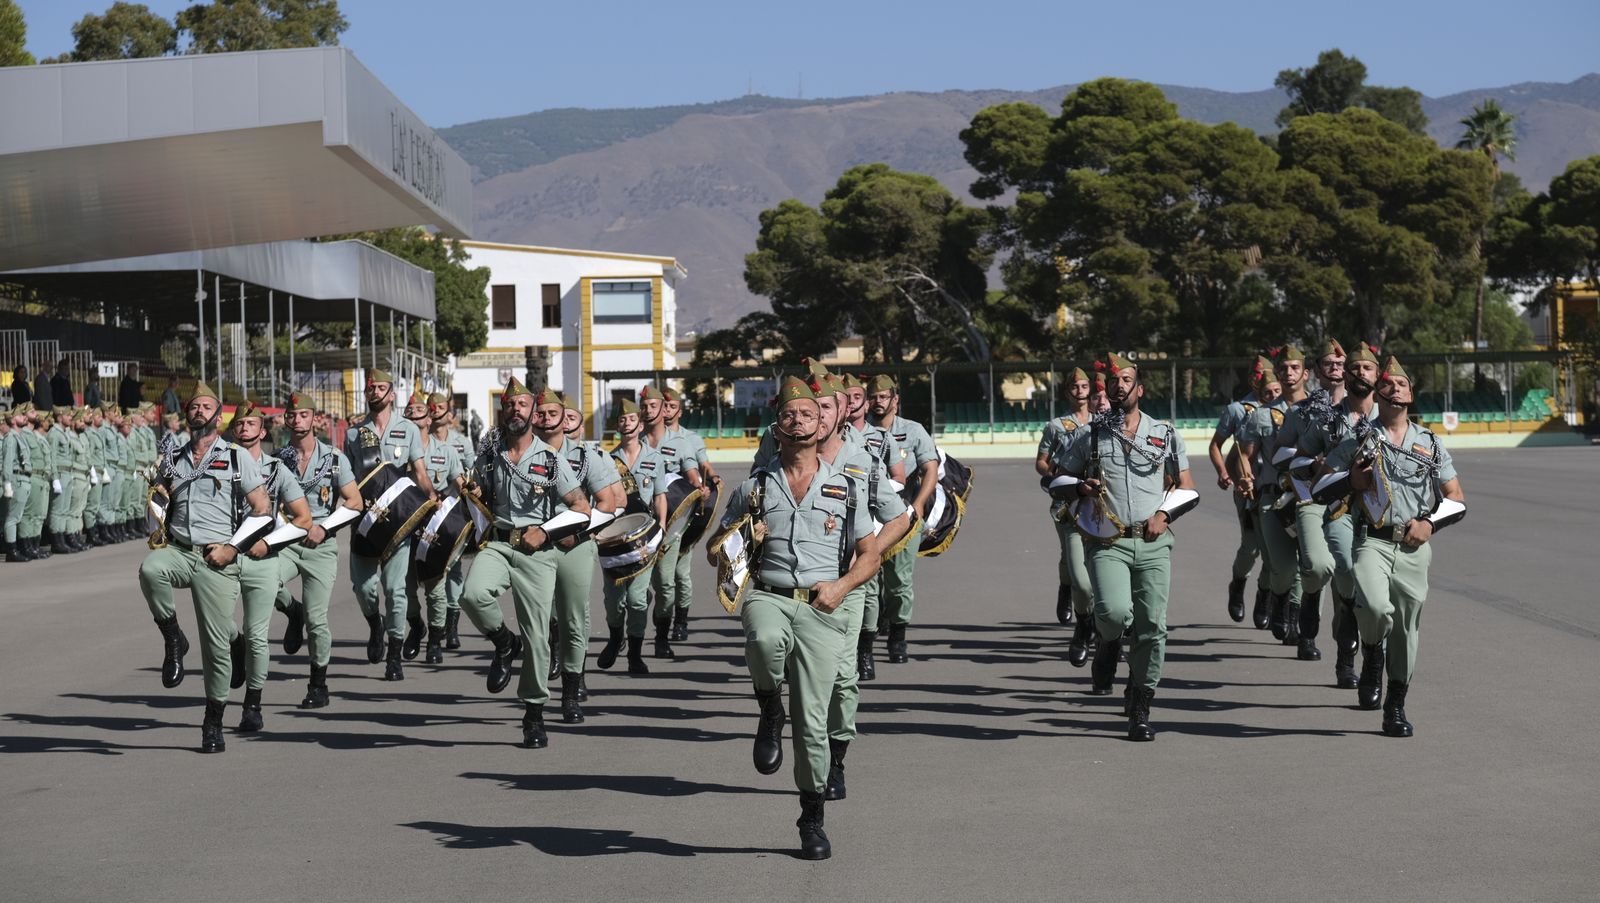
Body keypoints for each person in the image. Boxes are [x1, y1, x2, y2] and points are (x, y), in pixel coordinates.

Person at [711, 375, 878, 860]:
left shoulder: (846, 488)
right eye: (789, 415)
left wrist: (843, 586)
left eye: (808, 414)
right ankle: (768, 704)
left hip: (824, 606)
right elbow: (714, 552)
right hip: (769, 594)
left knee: (812, 726)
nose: (799, 421)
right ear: (777, 430)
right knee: (763, 640)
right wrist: (745, 535)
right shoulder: (755, 488)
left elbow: (869, 555)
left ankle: (811, 818)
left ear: (823, 423)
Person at [1051, 352, 1197, 741]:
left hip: (1153, 541)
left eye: (1126, 379)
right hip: (1107, 541)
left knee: (1153, 628)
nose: (1119, 386)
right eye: (1113, 381)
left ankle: (1140, 700)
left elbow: (1185, 486)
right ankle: (1108, 644)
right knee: (1114, 613)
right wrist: (1080, 486)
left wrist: (1164, 516)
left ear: (1140, 388)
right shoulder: (1090, 435)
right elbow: (1057, 479)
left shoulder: (1165, 434)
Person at [1321, 356, 1465, 737]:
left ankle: (1395, 706)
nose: (1395, 389)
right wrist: (1351, 481)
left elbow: (1455, 497)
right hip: (1373, 541)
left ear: (1410, 394)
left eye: (1401, 384)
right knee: (1374, 606)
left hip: (1414, 546)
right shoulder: (1360, 438)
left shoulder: (1430, 443)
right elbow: (1318, 486)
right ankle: (1371, 651)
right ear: (1377, 393)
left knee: (1406, 630)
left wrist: (1430, 523)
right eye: (1387, 384)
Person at [457, 376, 591, 748]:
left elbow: (581, 508)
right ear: (503, 411)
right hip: (499, 544)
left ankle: (533, 713)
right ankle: (503, 642)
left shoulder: (550, 459)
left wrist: (547, 532)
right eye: (509, 405)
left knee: (538, 639)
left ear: (533, 412)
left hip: (537, 553)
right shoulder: (491, 453)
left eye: (522, 405)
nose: (515, 410)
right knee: (472, 595)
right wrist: (472, 490)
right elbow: (481, 491)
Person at [138, 381, 271, 753]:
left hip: (217, 556)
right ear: (187, 413)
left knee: (216, 647)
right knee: (150, 569)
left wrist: (233, 547)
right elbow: (157, 499)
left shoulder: (235, 456)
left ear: (219, 414)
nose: (199, 411)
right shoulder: (173, 457)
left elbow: (263, 511)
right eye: (193, 406)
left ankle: (212, 722)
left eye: (206, 406)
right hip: (180, 551)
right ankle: (173, 637)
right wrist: (155, 513)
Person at [811, 373, 910, 803]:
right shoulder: (780, 453)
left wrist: (864, 559)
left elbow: (899, 518)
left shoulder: (862, 458)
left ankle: (834, 759)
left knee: (842, 677)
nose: (815, 417)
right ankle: (770, 707)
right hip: (789, 584)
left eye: (826, 408)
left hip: (847, 584)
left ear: (841, 412)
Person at [1276, 342, 1381, 687]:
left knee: (1352, 590)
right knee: (1326, 568)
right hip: (1320, 502)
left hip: (1371, 512)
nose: (1344, 370)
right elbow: (1294, 459)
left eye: (1363, 368)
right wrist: (1317, 466)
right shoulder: (1322, 418)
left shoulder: (1387, 417)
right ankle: (1309, 594)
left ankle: (1346, 655)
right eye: (1337, 365)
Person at [223, 400, 312, 733]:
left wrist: (269, 543)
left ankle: (252, 705)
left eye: (251, 424)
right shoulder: (218, 463)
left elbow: (303, 519)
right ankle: (235, 645)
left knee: (257, 635)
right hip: (223, 555)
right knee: (220, 625)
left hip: (260, 556)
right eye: (239, 424)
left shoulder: (277, 470)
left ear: (262, 431)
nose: (244, 428)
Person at [342, 369, 436, 681]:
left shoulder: (407, 429)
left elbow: (419, 471)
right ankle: (374, 624)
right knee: (365, 587)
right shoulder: (354, 433)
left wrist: (431, 501)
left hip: (398, 522)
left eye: (381, 387)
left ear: (392, 394)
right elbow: (347, 478)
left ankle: (394, 656)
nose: (375, 393)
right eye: (370, 388)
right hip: (366, 522)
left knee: (396, 590)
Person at [274, 392, 364, 708]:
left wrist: (325, 527)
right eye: (292, 415)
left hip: (320, 544)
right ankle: (290, 610)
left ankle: (317, 684)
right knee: (263, 583)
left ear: (316, 419)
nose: (297, 420)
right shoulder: (277, 458)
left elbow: (355, 501)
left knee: (317, 619)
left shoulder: (335, 458)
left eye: (303, 415)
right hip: (286, 540)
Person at [539, 390, 622, 723]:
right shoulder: (521, 452)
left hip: (575, 542)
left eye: (560, 414)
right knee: (542, 613)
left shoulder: (589, 456)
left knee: (575, 616)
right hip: (535, 544)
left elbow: (612, 502)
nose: (548, 420)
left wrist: (583, 533)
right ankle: (551, 655)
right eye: (540, 413)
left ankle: (573, 685)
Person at [1237, 347, 1307, 645]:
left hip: (1308, 498)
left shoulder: (1322, 411)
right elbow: (1245, 454)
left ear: (1306, 373)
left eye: (1295, 368)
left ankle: (1300, 628)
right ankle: (1277, 598)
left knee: (1309, 564)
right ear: (1277, 374)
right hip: (1272, 499)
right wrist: (1245, 478)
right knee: (1282, 565)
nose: (1289, 373)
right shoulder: (1261, 416)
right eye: (1284, 368)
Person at [867, 374, 938, 664]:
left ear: (895, 400)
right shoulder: (859, 431)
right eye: (873, 396)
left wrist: (920, 504)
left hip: (904, 512)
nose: (877, 401)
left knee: (899, 578)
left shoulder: (914, 430)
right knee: (870, 577)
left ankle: (898, 636)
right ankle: (870, 632)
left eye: (883, 397)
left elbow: (930, 469)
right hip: (868, 517)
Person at [839, 372, 904, 680]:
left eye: (855, 398)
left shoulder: (875, 440)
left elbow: (896, 482)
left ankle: (865, 647)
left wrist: (873, 546)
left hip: (869, 522)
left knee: (869, 590)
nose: (849, 404)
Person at [596, 398, 668, 675]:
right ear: (618, 427)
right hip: (613, 537)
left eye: (632, 420)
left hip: (643, 536)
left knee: (638, 599)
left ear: (640, 424)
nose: (627, 424)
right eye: (622, 421)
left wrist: (661, 526)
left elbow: (660, 495)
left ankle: (635, 654)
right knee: (613, 600)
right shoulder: (605, 459)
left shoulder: (655, 459)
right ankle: (616, 638)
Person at [639, 384, 704, 658]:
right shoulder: (636, 441)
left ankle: (666, 632)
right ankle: (633, 636)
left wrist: (701, 489)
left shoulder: (681, 443)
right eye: (646, 406)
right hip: (641, 525)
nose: (650, 410)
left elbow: (693, 478)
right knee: (638, 588)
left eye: (654, 406)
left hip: (673, 523)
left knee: (668, 584)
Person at [1036, 367, 1095, 661]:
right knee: (1069, 555)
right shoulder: (1057, 426)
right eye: (1075, 387)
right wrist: (1057, 475)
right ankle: (1066, 587)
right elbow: (1041, 463)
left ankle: (1093, 619)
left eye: (1085, 386)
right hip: (1067, 500)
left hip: (1097, 503)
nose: (1080, 391)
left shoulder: (1103, 421)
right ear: (1067, 392)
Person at [402, 389, 461, 664]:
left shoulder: (446, 451)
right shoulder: (397, 451)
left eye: (418, 414)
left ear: (429, 420)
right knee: (403, 586)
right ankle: (416, 625)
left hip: (434, 523)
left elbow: (459, 482)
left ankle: (435, 639)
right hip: (402, 522)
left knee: (435, 585)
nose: (413, 419)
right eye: (408, 414)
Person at [1209, 377, 1266, 625]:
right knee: (1252, 547)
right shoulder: (1239, 410)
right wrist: (1224, 473)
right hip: (1248, 488)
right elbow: (1217, 445)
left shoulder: (1294, 409)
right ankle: (1239, 584)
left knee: (1279, 552)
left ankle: (1267, 596)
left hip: (1283, 489)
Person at [2, 404, 34, 562]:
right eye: (21, 415)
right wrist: (7, 483)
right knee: (12, 517)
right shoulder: (10, 437)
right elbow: (7, 463)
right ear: (13, 420)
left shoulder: (19, 436)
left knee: (18, 516)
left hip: (24, 479)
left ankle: (17, 549)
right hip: (16, 479)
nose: (25, 417)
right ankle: (11, 551)